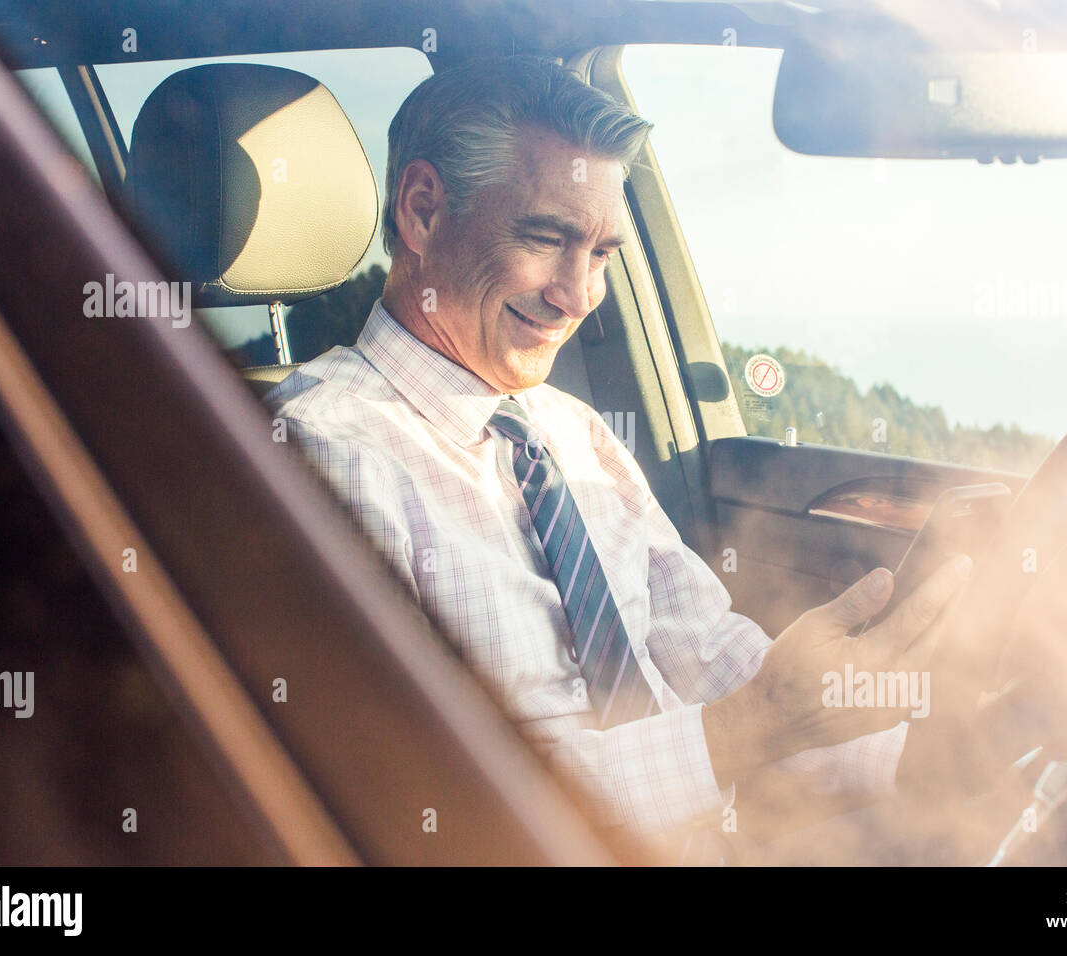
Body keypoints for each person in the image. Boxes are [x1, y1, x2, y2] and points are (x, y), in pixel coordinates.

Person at [264, 55, 972, 854]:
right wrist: (750, 728)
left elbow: (709, 651)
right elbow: (418, 806)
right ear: (423, 211)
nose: (579, 295)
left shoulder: (575, 436)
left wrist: (947, 757)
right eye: (544, 237)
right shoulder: (324, 457)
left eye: (600, 253)